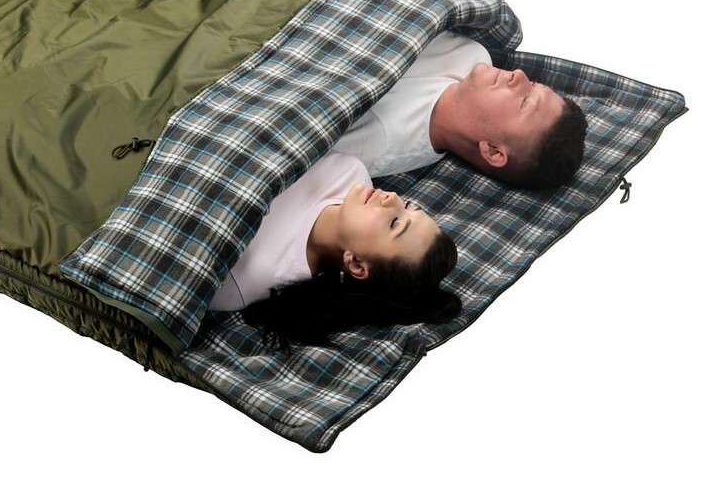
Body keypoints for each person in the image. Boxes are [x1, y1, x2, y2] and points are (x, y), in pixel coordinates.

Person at [210, 152, 459, 347]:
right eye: (407, 206)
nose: (392, 197)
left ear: (356, 264)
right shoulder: (350, 172)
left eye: (395, 223)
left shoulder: (246, 277)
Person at [330, 31, 588, 189]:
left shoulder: (377, 142)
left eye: (524, 102)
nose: (519, 75)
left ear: (493, 151)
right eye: (532, 84)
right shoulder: (472, 53)